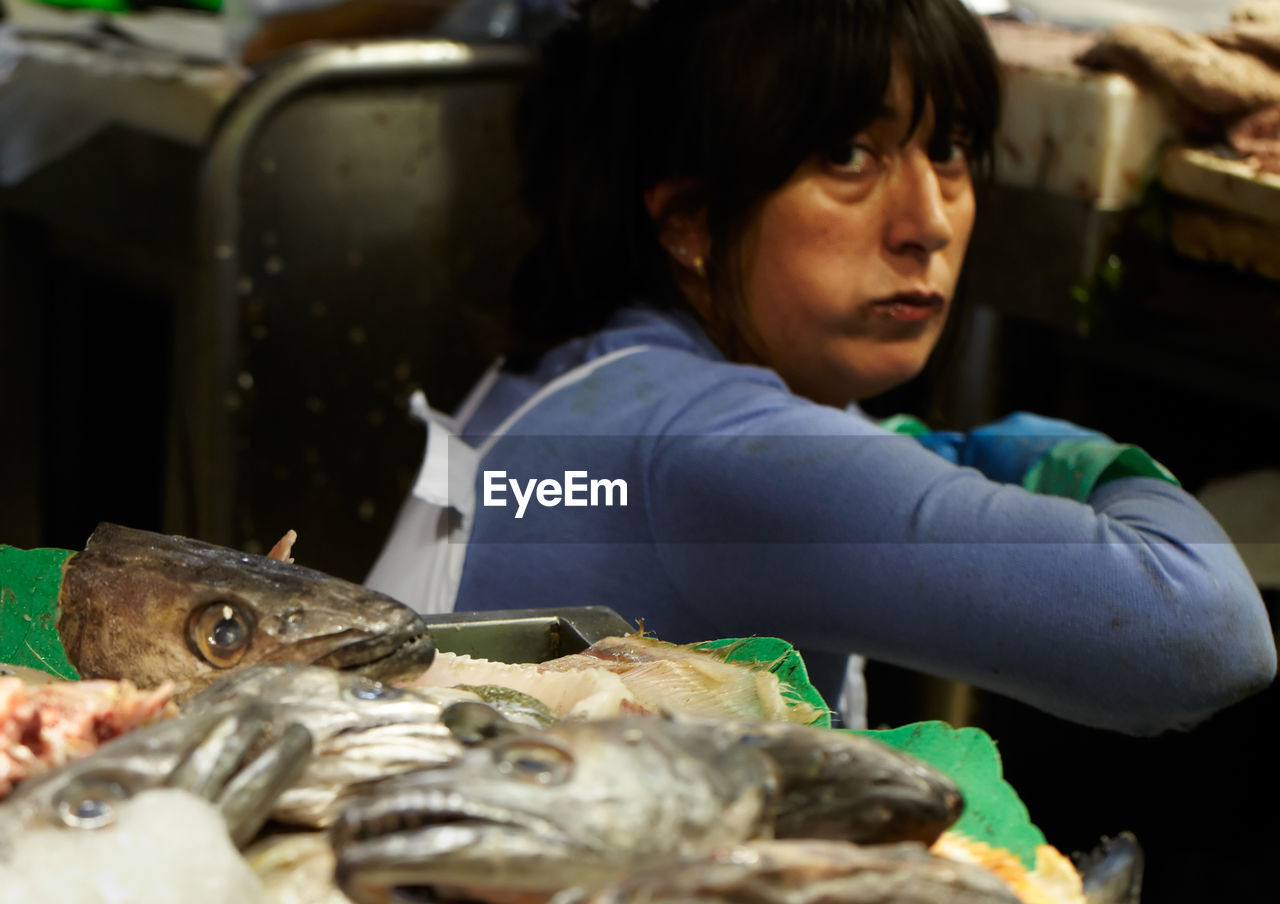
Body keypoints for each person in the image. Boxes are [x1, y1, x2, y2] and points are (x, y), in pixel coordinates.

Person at [367, 0, 1276, 734]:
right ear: (688, 217)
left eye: (949, 150)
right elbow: (1204, 632)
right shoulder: (710, 450)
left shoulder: (594, 369)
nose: (928, 220)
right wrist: (1085, 462)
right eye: (848, 156)